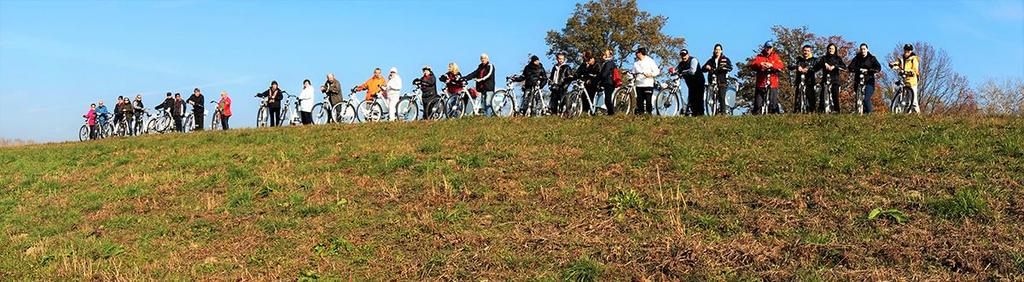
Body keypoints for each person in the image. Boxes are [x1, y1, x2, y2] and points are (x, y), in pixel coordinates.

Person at [749, 41, 786, 115]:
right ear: (764, 48)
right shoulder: (759, 56)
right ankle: (756, 117)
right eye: (767, 47)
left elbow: (781, 65)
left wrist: (771, 65)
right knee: (758, 104)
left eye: (770, 47)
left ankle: (774, 116)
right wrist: (761, 64)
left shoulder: (775, 56)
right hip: (761, 84)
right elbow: (753, 64)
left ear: (772, 48)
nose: (768, 49)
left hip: (772, 83)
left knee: (773, 102)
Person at [847, 43, 882, 113]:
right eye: (861, 49)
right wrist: (859, 69)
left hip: (869, 81)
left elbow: (878, 67)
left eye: (864, 49)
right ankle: (859, 113)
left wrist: (869, 70)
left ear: (867, 49)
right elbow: (850, 67)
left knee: (866, 99)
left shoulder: (872, 58)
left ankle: (870, 114)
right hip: (858, 81)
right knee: (858, 99)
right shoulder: (857, 58)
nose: (863, 51)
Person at [889, 44, 921, 113]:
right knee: (905, 100)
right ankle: (906, 115)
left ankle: (918, 115)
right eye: (906, 50)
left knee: (914, 101)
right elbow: (898, 64)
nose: (907, 52)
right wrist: (892, 65)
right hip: (904, 81)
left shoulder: (914, 58)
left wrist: (908, 72)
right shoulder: (902, 58)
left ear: (911, 51)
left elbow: (915, 69)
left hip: (912, 81)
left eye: (908, 50)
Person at [703, 44, 733, 115]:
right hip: (712, 81)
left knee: (721, 97)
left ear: (721, 51)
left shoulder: (725, 59)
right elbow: (703, 68)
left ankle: (723, 113)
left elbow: (730, 67)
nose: (717, 51)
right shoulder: (711, 60)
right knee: (711, 98)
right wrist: (707, 67)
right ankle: (714, 112)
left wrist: (724, 67)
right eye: (716, 49)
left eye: (719, 49)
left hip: (722, 81)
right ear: (714, 50)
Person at [816, 43, 846, 113]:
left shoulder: (838, 58)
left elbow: (844, 67)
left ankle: (837, 111)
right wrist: (824, 64)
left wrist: (834, 66)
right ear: (827, 49)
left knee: (835, 95)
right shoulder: (824, 58)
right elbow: (817, 67)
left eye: (832, 49)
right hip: (825, 79)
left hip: (835, 80)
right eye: (829, 48)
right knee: (822, 96)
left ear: (835, 50)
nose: (831, 50)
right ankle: (821, 111)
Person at [788, 45, 818, 113]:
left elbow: (817, 66)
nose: (806, 52)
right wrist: (797, 67)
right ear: (802, 51)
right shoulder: (798, 60)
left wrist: (808, 68)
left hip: (810, 82)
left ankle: (812, 112)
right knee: (798, 98)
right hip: (799, 82)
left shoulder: (814, 60)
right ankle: (797, 113)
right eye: (805, 50)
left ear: (810, 51)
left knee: (811, 99)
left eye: (808, 51)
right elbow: (789, 65)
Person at [675, 49, 705, 116]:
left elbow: (692, 71)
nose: (683, 57)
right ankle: (694, 114)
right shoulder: (681, 64)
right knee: (691, 99)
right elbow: (676, 70)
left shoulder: (693, 60)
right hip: (690, 84)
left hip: (699, 82)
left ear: (688, 55)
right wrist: (672, 71)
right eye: (682, 55)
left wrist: (683, 72)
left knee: (699, 99)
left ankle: (701, 115)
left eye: (685, 55)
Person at [633, 47, 660, 115]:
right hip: (639, 84)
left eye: (637, 53)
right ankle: (641, 114)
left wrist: (651, 75)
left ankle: (649, 114)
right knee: (639, 101)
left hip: (648, 84)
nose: (636, 54)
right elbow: (633, 73)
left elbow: (657, 71)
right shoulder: (636, 63)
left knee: (648, 101)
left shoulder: (650, 61)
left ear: (640, 53)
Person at [598, 49, 618, 115]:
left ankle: (611, 113)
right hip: (607, 82)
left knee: (607, 99)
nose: (603, 56)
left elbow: (604, 74)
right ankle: (610, 112)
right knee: (607, 98)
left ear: (609, 56)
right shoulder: (606, 63)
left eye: (604, 55)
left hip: (609, 83)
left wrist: (598, 78)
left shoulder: (609, 63)